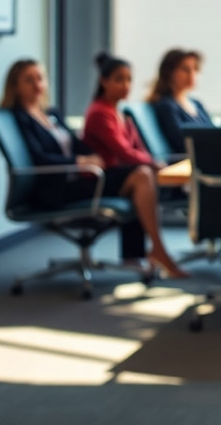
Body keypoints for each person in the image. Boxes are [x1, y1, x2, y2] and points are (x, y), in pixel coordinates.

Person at [1, 58, 186, 279]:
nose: (37, 84)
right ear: (15, 86)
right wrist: (78, 162)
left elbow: (74, 142)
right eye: (28, 80)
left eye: (40, 78)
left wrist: (92, 155)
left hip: (78, 177)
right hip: (56, 187)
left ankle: (139, 254)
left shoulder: (51, 114)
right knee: (141, 177)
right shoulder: (20, 118)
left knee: (140, 178)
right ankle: (154, 250)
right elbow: (38, 158)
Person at [81, 52, 189, 279]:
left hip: (116, 175)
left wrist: (151, 162)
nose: (125, 85)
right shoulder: (99, 113)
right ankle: (158, 248)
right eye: (119, 79)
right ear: (104, 81)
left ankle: (137, 253)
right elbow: (123, 153)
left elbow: (138, 149)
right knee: (142, 175)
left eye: (129, 79)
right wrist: (152, 164)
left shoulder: (121, 113)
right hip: (96, 180)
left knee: (145, 172)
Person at [148, 48, 213, 155]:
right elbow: (182, 143)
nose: (192, 74)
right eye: (186, 70)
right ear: (170, 73)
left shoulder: (196, 103)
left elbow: (215, 133)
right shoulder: (167, 106)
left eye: (195, 69)